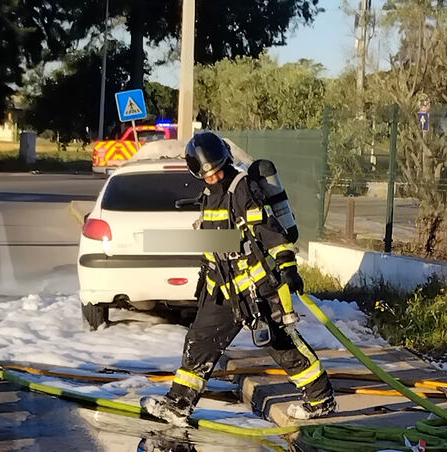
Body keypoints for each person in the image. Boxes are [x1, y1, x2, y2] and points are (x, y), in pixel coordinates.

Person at [142, 131, 336, 425]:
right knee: (200, 341)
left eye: (217, 170)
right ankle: (179, 404)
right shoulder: (208, 195)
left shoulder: (242, 187)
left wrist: (287, 265)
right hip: (223, 290)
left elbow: (268, 230)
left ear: (226, 162)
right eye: (207, 175)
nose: (213, 177)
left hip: (255, 288)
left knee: (280, 343)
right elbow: (221, 241)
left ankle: (321, 399)